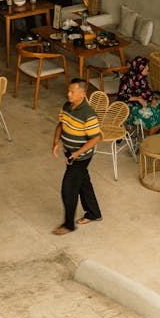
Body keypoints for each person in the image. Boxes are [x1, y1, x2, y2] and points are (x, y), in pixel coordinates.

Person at [51, 79, 102, 235]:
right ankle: (93, 213)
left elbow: (96, 138)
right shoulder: (67, 106)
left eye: (72, 92)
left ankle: (69, 225)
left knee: (68, 188)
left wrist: (77, 153)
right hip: (69, 152)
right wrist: (56, 142)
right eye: (68, 91)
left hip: (81, 157)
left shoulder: (88, 114)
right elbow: (61, 124)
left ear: (83, 94)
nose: (68, 94)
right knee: (83, 182)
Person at [117, 57, 160, 136]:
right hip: (132, 106)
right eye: (145, 67)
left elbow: (149, 93)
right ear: (139, 68)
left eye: (147, 67)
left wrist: (153, 100)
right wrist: (138, 99)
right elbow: (121, 95)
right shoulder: (127, 79)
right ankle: (149, 139)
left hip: (146, 102)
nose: (147, 69)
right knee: (155, 115)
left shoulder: (142, 79)